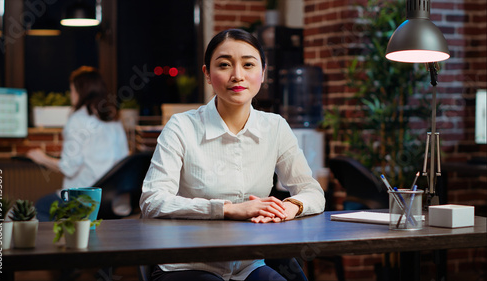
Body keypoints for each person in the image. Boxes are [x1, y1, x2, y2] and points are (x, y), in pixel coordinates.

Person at [140, 29, 325, 281]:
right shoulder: (181, 127)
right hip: (187, 263)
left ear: (263, 72)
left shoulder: (275, 127)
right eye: (225, 65)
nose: (237, 76)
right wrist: (227, 210)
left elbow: (312, 192)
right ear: (207, 74)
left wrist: (290, 207)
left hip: (247, 264)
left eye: (248, 64)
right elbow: (152, 200)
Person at [27, 66, 129, 222]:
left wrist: (41, 158)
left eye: (72, 90)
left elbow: (69, 168)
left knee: (39, 207)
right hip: (115, 202)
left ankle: (67, 244)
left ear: (80, 92)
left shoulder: (77, 119)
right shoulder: (113, 119)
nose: (71, 95)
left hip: (85, 202)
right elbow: (123, 159)